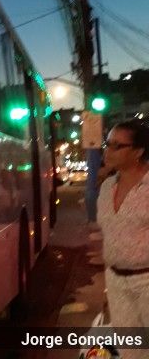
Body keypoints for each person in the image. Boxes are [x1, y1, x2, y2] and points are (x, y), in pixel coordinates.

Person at [97, 119, 149, 358]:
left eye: (118, 146)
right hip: (117, 281)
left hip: (146, 280)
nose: (108, 150)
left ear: (138, 152)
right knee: (130, 351)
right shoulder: (107, 187)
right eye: (108, 143)